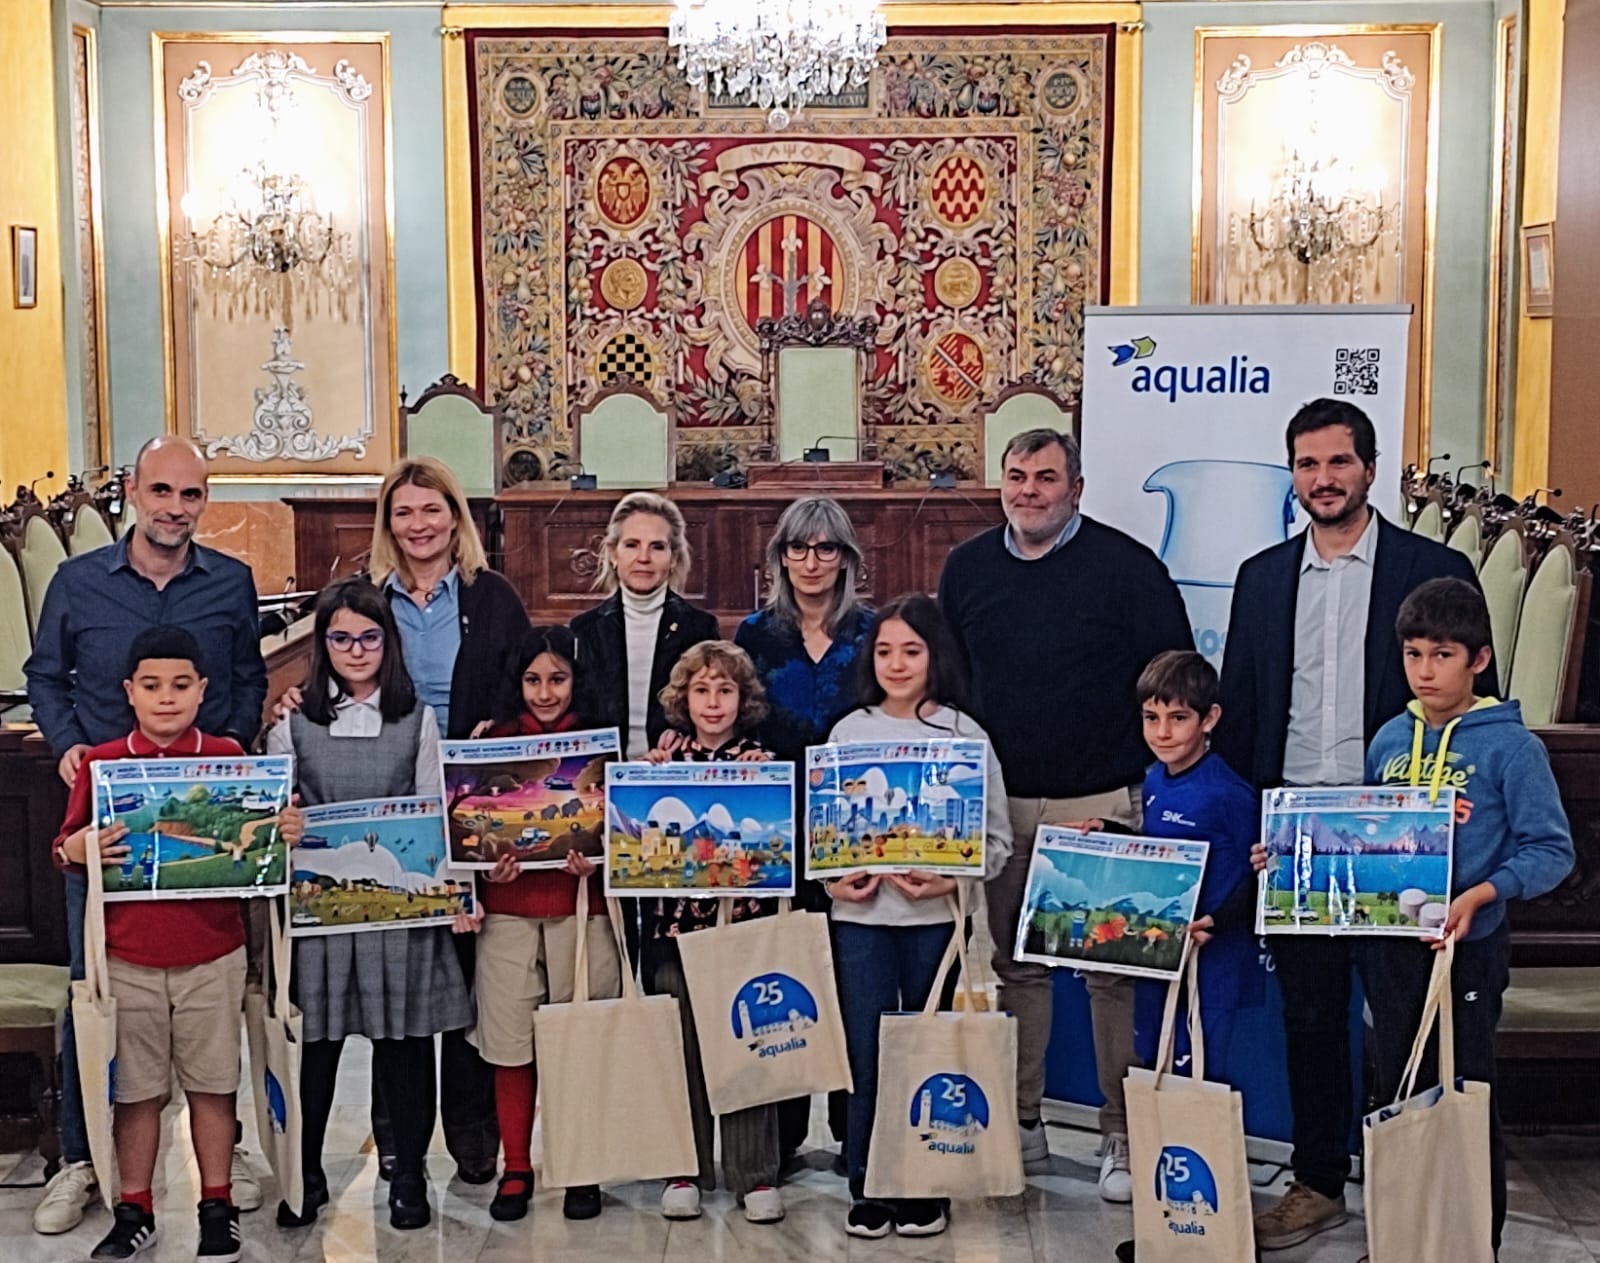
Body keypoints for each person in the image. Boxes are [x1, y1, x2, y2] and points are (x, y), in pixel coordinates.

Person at [1213, 399, 1495, 1251]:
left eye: (1339, 461)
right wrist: (1254, 820)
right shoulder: (1262, 577)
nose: (1323, 478)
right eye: (1307, 464)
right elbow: (1243, 712)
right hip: (1297, 835)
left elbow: (1477, 703)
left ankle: (1411, 1202)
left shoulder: (1433, 567)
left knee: (1404, 1024)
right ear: (1292, 475)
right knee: (1309, 1017)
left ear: (1369, 469)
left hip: (1399, 838)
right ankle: (1317, 1180)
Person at [937, 428, 1193, 1196]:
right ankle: (1023, 1122)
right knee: (1018, 968)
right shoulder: (967, 568)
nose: (1029, 490)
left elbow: (1174, 677)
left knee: (1112, 974)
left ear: (1075, 488)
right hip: (1004, 801)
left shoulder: (1129, 569)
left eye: (1046, 477)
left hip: (1100, 801)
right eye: (1017, 476)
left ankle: (1121, 1132)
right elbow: (952, 680)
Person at [24, 435, 267, 1233]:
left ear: (205, 500)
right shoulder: (77, 581)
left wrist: (226, 761)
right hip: (107, 816)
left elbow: (247, 679)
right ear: (133, 490)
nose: (175, 508)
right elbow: (44, 676)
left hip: (202, 813)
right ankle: (83, 1159)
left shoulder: (229, 581)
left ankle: (225, 1160)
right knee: (95, 995)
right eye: (161, 491)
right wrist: (69, 746)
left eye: (191, 494)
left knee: (213, 997)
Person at [1357, 577, 1572, 1255]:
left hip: (1468, 948)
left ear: (1478, 659)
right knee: (1394, 1090)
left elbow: (1552, 851)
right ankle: (1401, 1237)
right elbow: (1366, 834)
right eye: (1413, 653)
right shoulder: (1389, 739)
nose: (1425, 670)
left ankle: (1474, 1241)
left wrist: (1481, 893)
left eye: (1442, 654)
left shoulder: (1512, 748)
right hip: (1392, 947)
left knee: (1466, 1094)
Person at [269, 579, 474, 1231]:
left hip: (398, 912)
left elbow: (434, 812)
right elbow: (276, 810)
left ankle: (408, 1173)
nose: (355, 650)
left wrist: (454, 893)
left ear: (388, 643)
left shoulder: (417, 719)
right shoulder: (292, 722)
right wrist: (285, 824)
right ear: (321, 644)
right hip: (319, 915)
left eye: (368, 637)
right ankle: (303, 1173)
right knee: (315, 1049)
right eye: (341, 638)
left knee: (405, 1046)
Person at [50, 626, 250, 1262]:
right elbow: (63, 847)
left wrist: (284, 829)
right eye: (153, 686)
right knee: (134, 1093)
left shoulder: (229, 758)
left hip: (213, 953)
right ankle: (134, 1209)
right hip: (128, 956)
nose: (167, 698)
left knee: (214, 1085)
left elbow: (258, 841)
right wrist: (78, 846)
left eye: (181, 685)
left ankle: (216, 1204)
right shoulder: (103, 763)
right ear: (129, 691)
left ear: (202, 690)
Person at [824, 594, 1013, 1240]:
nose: (896, 664)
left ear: (937, 656)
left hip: (936, 922)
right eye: (884, 651)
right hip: (861, 922)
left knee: (931, 1050)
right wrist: (833, 882)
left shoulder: (964, 735)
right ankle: (869, 1183)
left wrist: (951, 878)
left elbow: (997, 840)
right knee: (866, 1053)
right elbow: (824, 837)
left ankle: (925, 1184)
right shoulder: (849, 733)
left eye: (911, 650)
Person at [369, 456, 529, 1182]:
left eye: (431, 509)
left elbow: (522, 686)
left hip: (472, 802)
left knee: (469, 971)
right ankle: (396, 1133)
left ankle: (472, 1130)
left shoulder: (491, 595)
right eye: (404, 511)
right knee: (400, 973)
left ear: (455, 516)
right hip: (394, 799)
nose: (419, 525)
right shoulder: (369, 598)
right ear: (388, 522)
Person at [733, 496, 874, 1157]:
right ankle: (782, 1132)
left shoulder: (874, 632)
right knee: (783, 976)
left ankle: (853, 1130)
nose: (811, 561)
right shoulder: (754, 635)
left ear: (846, 558)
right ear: (780, 557)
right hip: (776, 832)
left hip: (855, 828)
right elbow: (733, 718)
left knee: (851, 979)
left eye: (826, 548)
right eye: (798, 547)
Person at [469, 625, 616, 1224]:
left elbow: (625, 831)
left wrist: (598, 860)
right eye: (533, 680)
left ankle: (581, 1165)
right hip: (508, 911)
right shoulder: (491, 743)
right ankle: (517, 1165)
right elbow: (468, 830)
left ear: (577, 680)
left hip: (585, 908)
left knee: (579, 1043)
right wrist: (486, 867)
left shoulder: (602, 744)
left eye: (558, 679)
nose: (546, 692)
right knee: (510, 1046)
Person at [642, 641, 785, 1225]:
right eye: (701, 690)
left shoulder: (764, 761)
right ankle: (684, 1169)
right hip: (676, 931)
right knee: (682, 1051)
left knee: (749, 1047)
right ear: (684, 699)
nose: (713, 702)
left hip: (745, 930)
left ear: (742, 699)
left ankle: (755, 1174)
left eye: (725, 690)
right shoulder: (661, 761)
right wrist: (644, 779)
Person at [572, 492, 719, 760]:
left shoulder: (700, 628)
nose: (643, 557)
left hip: (672, 769)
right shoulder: (584, 629)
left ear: (674, 558)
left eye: (657, 547)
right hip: (601, 772)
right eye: (631, 545)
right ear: (613, 554)